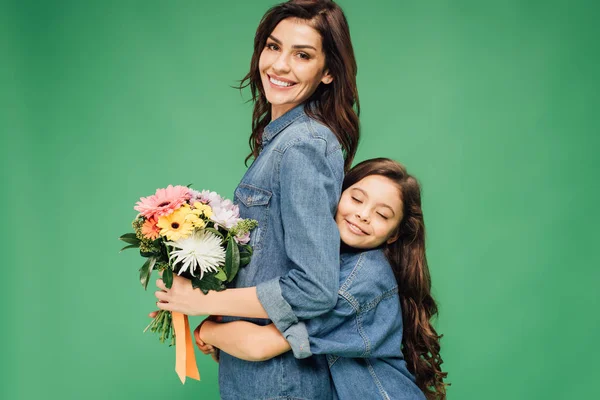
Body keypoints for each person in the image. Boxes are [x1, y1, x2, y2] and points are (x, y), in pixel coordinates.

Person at [152, 1, 360, 398]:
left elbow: (314, 288)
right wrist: (214, 310)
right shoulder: (282, 140)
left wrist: (202, 300)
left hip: (280, 382)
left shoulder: (303, 146)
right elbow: (271, 262)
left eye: (302, 55)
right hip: (258, 375)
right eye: (272, 46)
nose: (280, 65)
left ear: (329, 71)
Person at [195, 158, 448, 400]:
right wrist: (219, 340)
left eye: (382, 215)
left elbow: (260, 346)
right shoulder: (327, 265)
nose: (363, 215)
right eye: (357, 198)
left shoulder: (363, 279)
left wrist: (207, 328)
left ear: (393, 235)